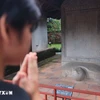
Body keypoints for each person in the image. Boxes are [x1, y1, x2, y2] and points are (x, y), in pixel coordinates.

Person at [0, 0, 41, 100]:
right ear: (6, 29)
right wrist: (34, 94)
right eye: (30, 29)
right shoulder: (16, 96)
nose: (30, 37)